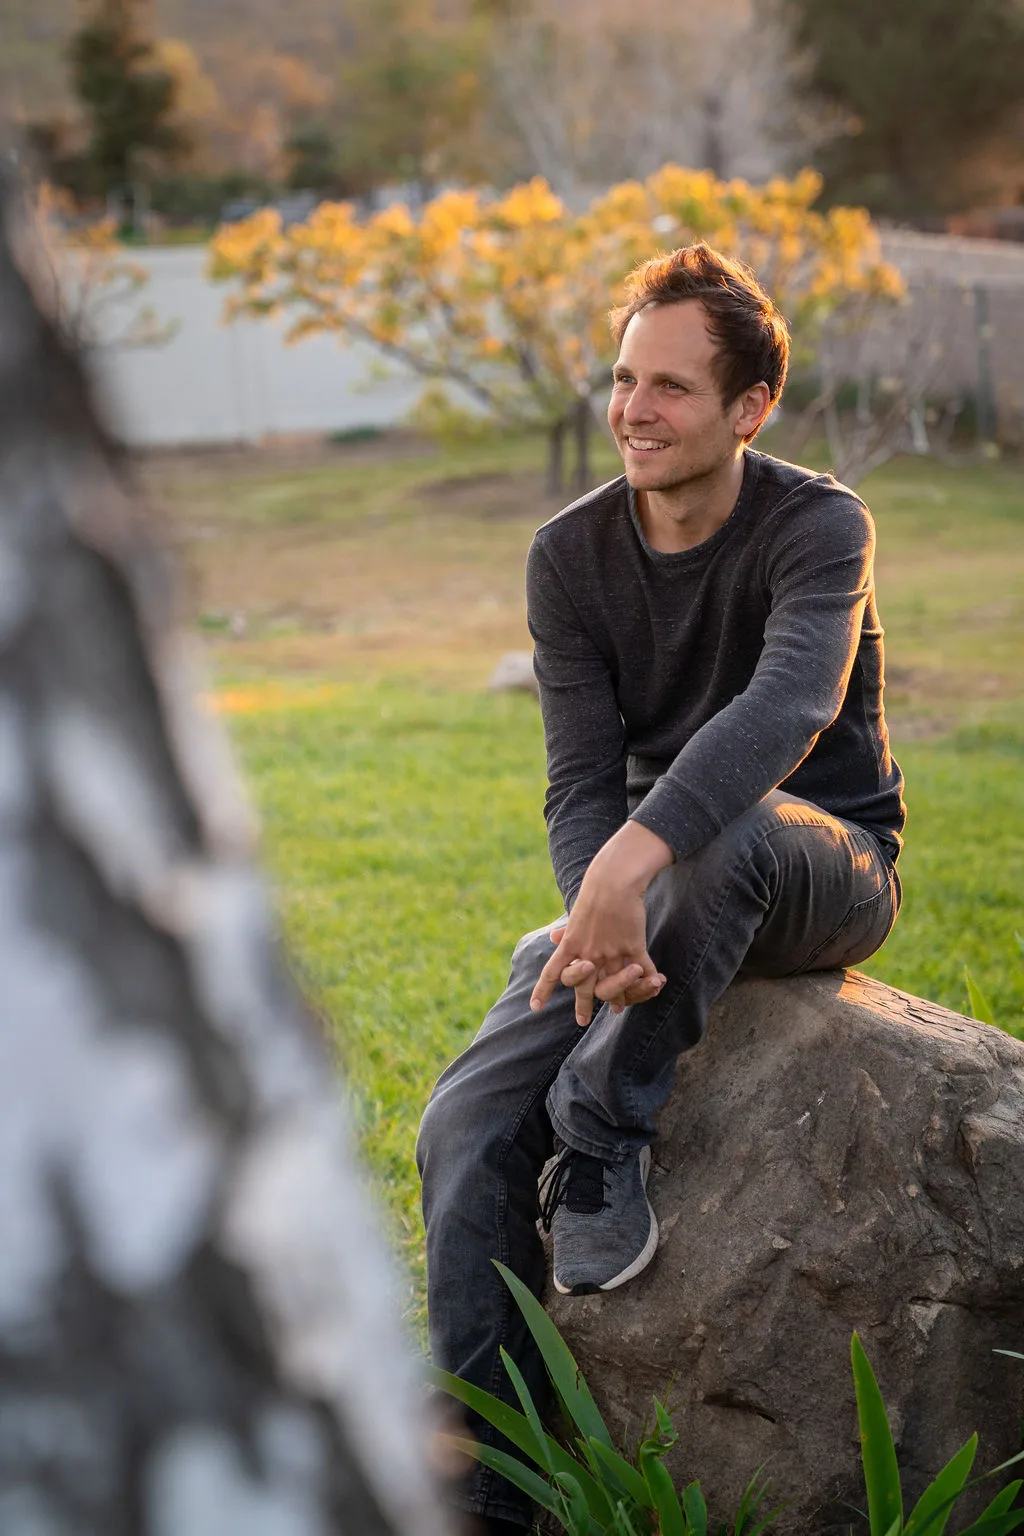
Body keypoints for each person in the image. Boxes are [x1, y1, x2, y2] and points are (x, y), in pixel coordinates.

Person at [416, 242, 905, 1535]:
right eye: (625, 378)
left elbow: (787, 709)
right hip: (650, 898)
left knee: (724, 829)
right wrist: (602, 910)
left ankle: (607, 1130)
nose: (634, 409)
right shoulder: (568, 556)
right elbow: (581, 783)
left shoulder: (820, 525)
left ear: (751, 409)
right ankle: (493, 1495)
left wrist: (635, 860)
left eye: (673, 387)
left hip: (820, 862)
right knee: (462, 1126)